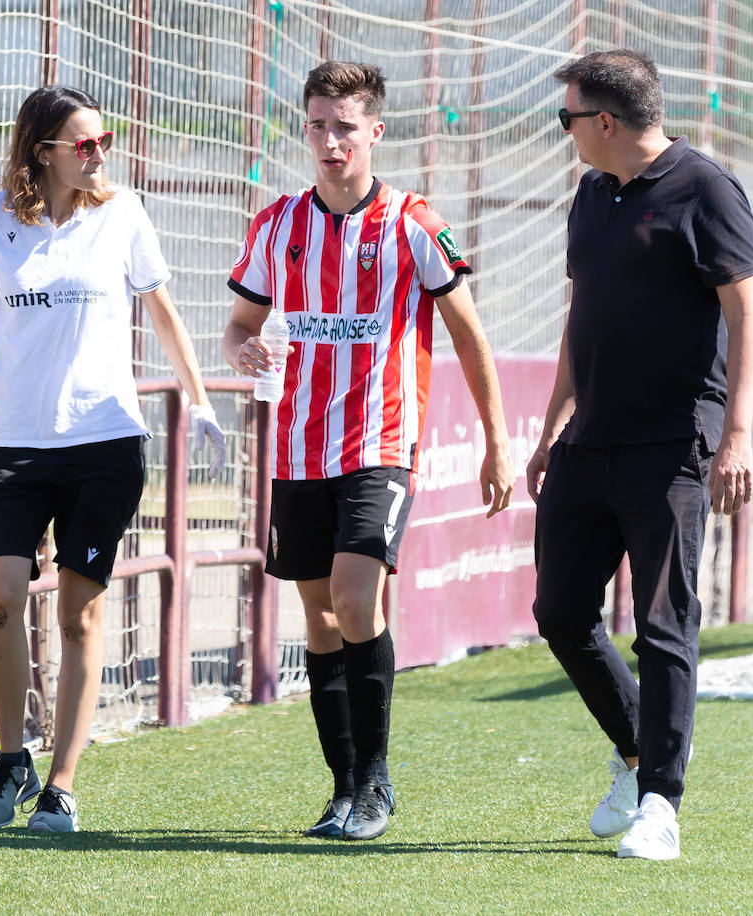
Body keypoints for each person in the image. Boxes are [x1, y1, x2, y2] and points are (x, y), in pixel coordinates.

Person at [0, 85, 226, 833]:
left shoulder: (123, 213)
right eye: (83, 143)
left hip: (105, 444)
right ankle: (12, 757)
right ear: (42, 151)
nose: (98, 154)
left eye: (103, 140)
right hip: (14, 443)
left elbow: (165, 315)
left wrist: (202, 398)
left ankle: (62, 783)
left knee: (80, 614)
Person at [223, 61, 514, 841]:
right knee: (318, 620)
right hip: (296, 448)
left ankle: (378, 781)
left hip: (380, 445)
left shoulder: (413, 223)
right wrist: (243, 352)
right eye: (317, 125)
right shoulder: (277, 224)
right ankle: (343, 785)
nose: (329, 141)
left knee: (356, 600)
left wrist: (498, 441)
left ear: (375, 132)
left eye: (345, 126)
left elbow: (470, 336)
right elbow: (239, 327)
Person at [527, 50, 753, 860]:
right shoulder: (591, 195)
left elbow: (748, 312)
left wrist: (736, 432)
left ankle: (662, 800)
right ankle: (638, 752)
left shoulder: (706, 188)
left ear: (604, 121)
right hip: (588, 439)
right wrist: (551, 423)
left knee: (664, 624)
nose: (562, 132)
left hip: (671, 443)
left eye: (567, 118)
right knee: (559, 611)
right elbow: (578, 314)